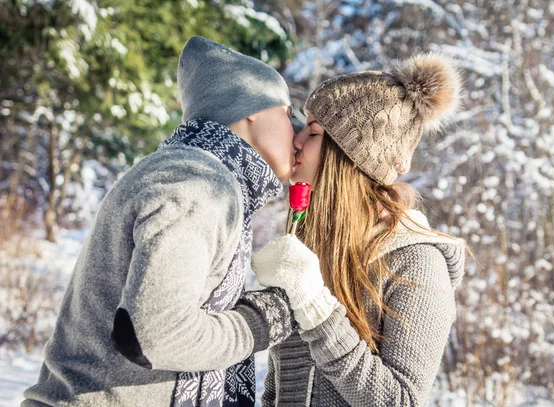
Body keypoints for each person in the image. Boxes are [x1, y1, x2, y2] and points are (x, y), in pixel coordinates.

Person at [23, 36, 298, 407]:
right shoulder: (196, 182)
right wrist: (259, 322)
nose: (296, 130)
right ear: (250, 109)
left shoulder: (186, 170)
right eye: (286, 111)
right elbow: (155, 333)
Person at [252, 53, 467, 406]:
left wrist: (316, 308)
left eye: (314, 131)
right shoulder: (310, 246)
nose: (296, 140)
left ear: (348, 156)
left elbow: (401, 400)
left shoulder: (416, 262)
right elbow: (279, 390)